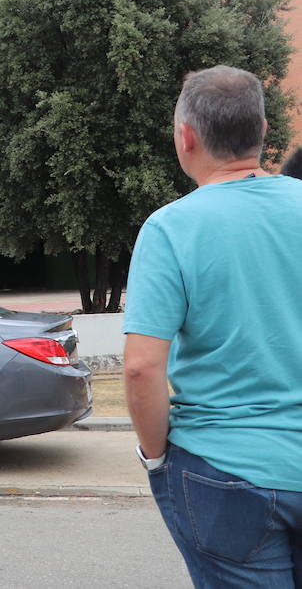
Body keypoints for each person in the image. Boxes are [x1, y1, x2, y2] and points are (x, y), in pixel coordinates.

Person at [124, 65, 302, 586]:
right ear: (264, 132)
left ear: (186, 137)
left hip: (223, 468)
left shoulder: (171, 227)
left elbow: (139, 369)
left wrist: (155, 459)